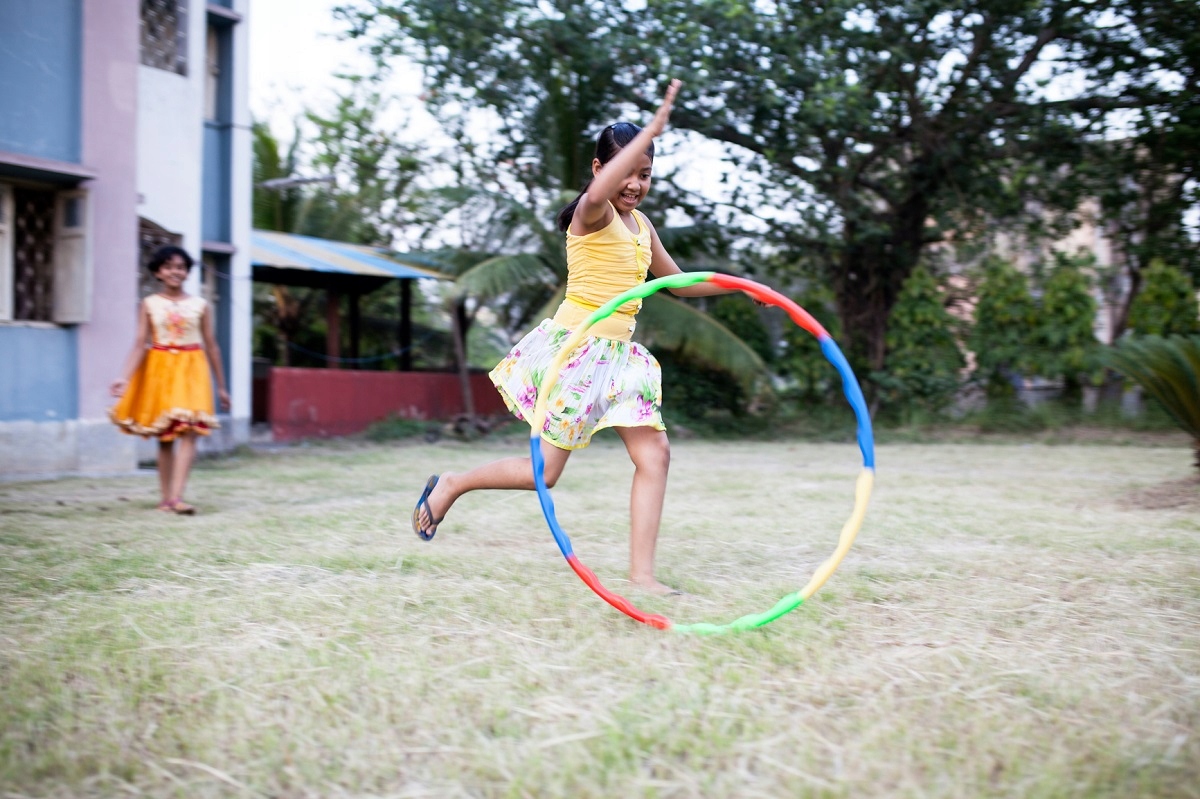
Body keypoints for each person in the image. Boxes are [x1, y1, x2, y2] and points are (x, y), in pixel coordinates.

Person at [412, 79, 743, 595]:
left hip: (622, 358)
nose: (635, 183)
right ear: (600, 170)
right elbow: (601, 191)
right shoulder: (593, 215)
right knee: (542, 474)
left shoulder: (642, 227)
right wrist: (652, 128)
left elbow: (679, 284)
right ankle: (452, 484)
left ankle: (643, 577)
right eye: (627, 171)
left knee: (655, 454)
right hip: (577, 350)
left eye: (646, 174)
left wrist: (739, 288)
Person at [109, 245, 230, 514]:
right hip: (160, 370)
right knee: (165, 436)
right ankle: (166, 499)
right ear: (158, 272)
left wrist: (222, 386)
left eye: (180, 267)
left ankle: (176, 497)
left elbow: (212, 346)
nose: (175, 271)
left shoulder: (200, 305)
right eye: (168, 267)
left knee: (189, 431)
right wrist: (123, 377)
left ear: (187, 273)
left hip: (192, 368)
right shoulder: (149, 304)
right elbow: (140, 343)